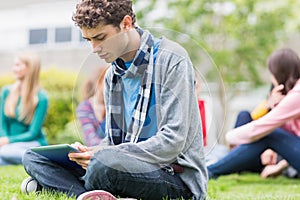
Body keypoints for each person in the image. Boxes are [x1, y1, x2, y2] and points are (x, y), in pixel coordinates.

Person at [22, 0, 208, 200]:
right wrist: (88, 152)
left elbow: (173, 142)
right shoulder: (113, 75)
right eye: (88, 40)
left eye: (100, 38)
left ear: (126, 24)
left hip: (173, 177)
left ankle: (67, 187)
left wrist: (104, 155)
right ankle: (89, 195)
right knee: (34, 157)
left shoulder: (172, 59)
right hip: (120, 166)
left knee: (103, 163)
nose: (94, 48)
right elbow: (113, 142)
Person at [207, 48, 300, 179]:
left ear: (278, 73)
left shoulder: (297, 94)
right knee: (250, 120)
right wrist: (274, 104)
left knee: (269, 134)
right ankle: (213, 168)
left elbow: (262, 127)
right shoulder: (292, 95)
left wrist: (230, 137)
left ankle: (209, 170)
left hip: (268, 150)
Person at [0, 52, 48, 166]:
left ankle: (39, 157)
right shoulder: (7, 91)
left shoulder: (41, 97)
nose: (13, 69)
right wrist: (4, 139)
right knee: (5, 152)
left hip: (32, 143)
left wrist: (8, 141)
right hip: (8, 145)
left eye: (18, 65)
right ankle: (32, 159)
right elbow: (2, 123)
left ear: (30, 68)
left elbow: (33, 132)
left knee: (5, 152)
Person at [76, 66, 108, 147]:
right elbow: (91, 140)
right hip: (96, 152)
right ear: (99, 83)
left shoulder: (117, 106)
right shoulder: (85, 108)